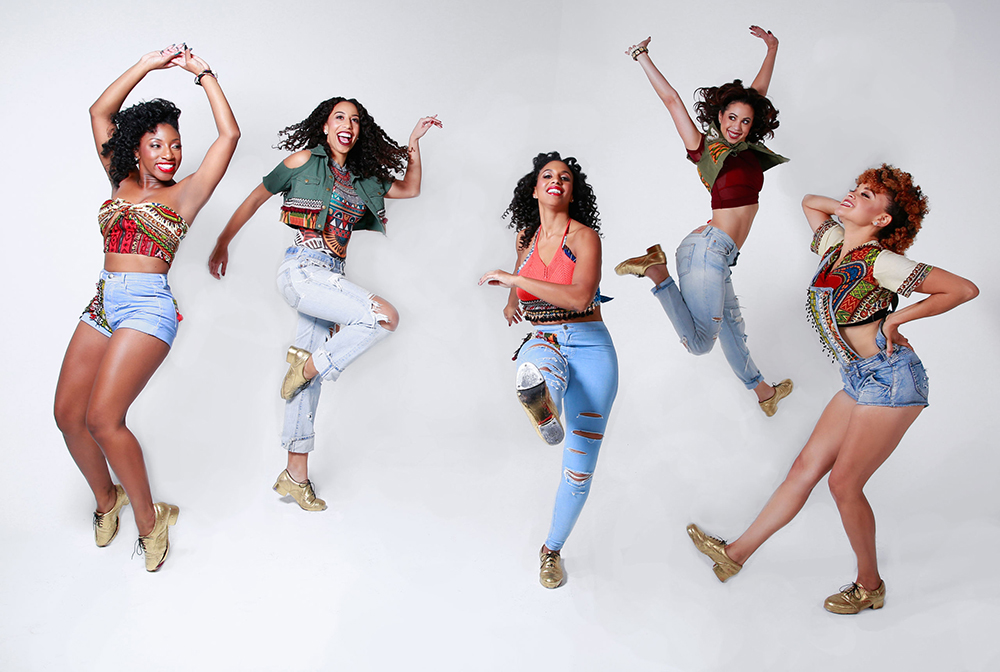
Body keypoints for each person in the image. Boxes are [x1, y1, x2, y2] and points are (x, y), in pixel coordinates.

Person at [687, 165, 978, 613]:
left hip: (891, 378)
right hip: (858, 378)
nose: (851, 195)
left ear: (884, 220)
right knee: (804, 467)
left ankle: (870, 586)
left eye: (866, 195)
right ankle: (735, 555)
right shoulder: (833, 246)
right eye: (855, 189)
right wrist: (854, 209)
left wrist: (897, 319)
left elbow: (962, 289)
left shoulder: (883, 262)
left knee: (844, 484)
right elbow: (809, 201)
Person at [53, 45, 240, 571]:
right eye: (156, 143)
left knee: (104, 419)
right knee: (68, 416)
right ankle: (105, 502)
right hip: (104, 300)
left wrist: (203, 75)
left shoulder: (186, 194)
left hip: (147, 308)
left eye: (176, 145)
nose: (169, 153)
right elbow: (99, 113)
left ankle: (149, 522)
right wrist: (146, 65)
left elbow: (229, 137)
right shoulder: (120, 180)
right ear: (135, 149)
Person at [209, 98, 440, 512]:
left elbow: (411, 187)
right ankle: (309, 366)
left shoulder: (364, 179)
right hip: (302, 270)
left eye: (355, 119)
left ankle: (295, 476)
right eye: (339, 117)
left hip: (332, 278)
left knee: (305, 380)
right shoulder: (301, 162)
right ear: (325, 126)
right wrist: (223, 243)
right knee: (384, 316)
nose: (347, 124)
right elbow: (254, 199)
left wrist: (413, 144)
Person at [615, 27, 792, 415]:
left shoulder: (747, 147)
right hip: (707, 250)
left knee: (732, 329)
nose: (738, 126)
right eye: (731, 118)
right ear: (719, 116)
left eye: (745, 122)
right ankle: (657, 272)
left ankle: (764, 391)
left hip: (719, 255)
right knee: (700, 343)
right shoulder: (704, 149)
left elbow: (755, 96)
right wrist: (642, 56)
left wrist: (772, 49)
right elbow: (672, 100)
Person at [479, 152, 618, 589]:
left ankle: (551, 550)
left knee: (579, 472)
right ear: (535, 189)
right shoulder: (525, 237)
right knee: (539, 369)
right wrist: (510, 300)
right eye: (548, 175)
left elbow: (579, 297)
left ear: (571, 191)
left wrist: (514, 281)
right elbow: (521, 285)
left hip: (592, 349)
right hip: (546, 339)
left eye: (566, 177)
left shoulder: (584, 238)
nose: (557, 180)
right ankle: (544, 404)